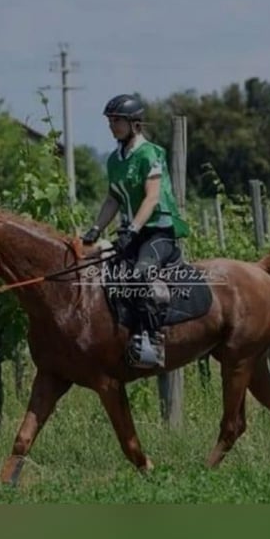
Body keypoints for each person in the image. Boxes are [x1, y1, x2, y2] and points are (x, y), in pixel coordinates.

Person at [81, 93, 190, 369]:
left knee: (139, 275)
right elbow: (112, 199)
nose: (111, 126)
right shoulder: (114, 160)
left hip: (157, 232)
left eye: (116, 121)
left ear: (134, 123)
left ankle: (153, 343)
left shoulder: (150, 153)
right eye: (110, 121)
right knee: (103, 275)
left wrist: (133, 228)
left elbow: (152, 197)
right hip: (132, 233)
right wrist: (95, 228)